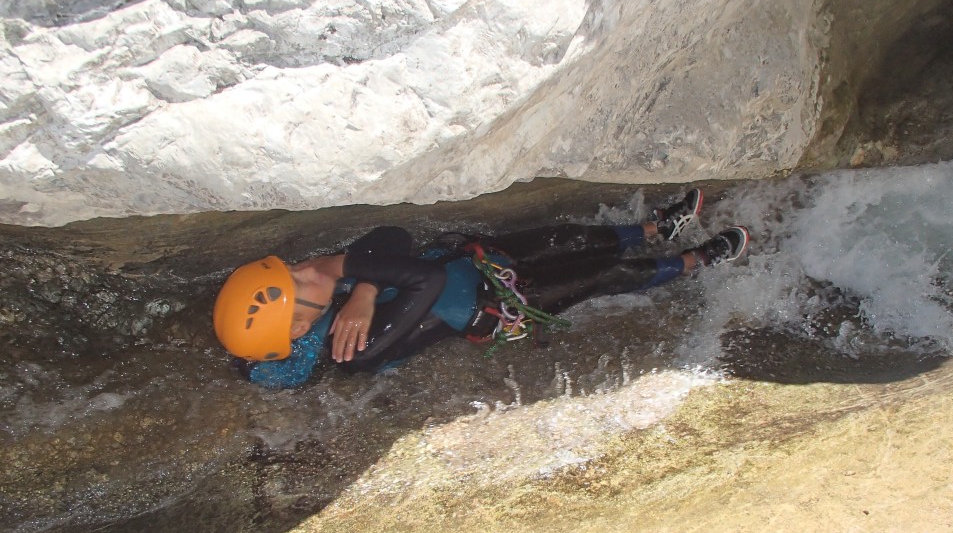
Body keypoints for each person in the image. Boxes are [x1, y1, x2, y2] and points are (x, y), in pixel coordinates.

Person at [212, 190, 750, 388]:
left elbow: (392, 234)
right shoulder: (355, 352)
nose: (309, 272)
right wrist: (354, 278)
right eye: (299, 280)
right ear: (300, 327)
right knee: (602, 276)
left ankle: (657, 227)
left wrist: (359, 286)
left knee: (571, 236)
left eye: (298, 270)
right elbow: (426, 280)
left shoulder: (335, 298)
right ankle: (695, 259)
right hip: (502, 303)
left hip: (480, 258)